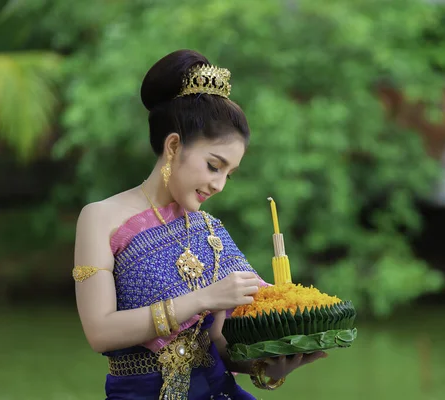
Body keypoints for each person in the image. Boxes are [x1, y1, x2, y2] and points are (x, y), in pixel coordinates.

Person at [72, 49, 326, 400]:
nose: (219, 184)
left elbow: (218, 345)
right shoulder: (100, 217)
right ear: (174, 146)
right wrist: (204, 297)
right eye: (213, 165)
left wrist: (268, 367)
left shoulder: (210, 230)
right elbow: (99, 331)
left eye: (228, 174)